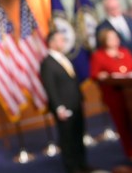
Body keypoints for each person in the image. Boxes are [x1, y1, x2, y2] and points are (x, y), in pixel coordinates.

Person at [90, 28, 132, 164]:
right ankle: (131, 152)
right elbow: (94, 75)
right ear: (104, 40)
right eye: (111, 38)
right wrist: (102, 76)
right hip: (115, 95)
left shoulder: (124, 52)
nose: (115, 40)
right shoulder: (99, 56)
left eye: (116, 37)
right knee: (123, 125)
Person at [41, 30, 91, 173]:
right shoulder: (47, 63)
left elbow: (74, 82)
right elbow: (50, 88)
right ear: (52, 43)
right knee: (67, 139)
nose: (63, 42)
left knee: (79, 135)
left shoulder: (64, 58)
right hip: (64, 108)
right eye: (61, 40)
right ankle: (72, 167)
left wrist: (81, 99)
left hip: (76, 104)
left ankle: (82, 164)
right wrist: (58, 108)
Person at [96, 0, 132, 64]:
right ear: (106, 9)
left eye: (117, 7)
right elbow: (102, 51)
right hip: (119, 66)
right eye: (112, 8)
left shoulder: (130, 20)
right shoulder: (102, 28)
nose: (115, 10)